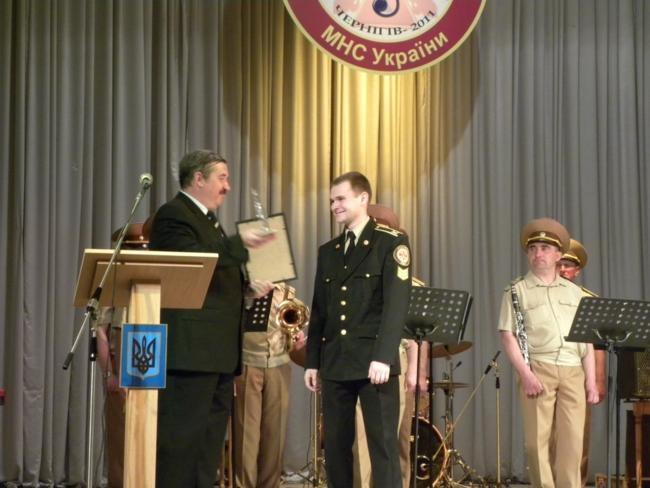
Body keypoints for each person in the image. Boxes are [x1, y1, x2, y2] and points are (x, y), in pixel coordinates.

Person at [149, 149, 275, 488]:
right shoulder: (173, 215)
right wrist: (240, 242)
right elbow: (189, 261)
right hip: (192, 353)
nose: (228, 187)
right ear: (198, 178)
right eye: (222, 178)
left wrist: (246, 288)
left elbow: (211, 275)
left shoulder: (208, 221)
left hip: (217, 354)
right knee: (182, 444)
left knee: (208, 446)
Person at [304, 172, 412, 488]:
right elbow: (320, 309)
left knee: (383, 449)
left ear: (363, 198)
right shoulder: (329, 251)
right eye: (331, 201)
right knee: (336, 449)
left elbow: (396, 305)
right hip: (336, 363)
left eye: (340, 199)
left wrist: (384, 356)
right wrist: (313, 361)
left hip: (374, 363)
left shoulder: (390, 242)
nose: (334, 206)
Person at [498, 218, 599, 488]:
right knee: (536, 443)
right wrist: (526, 374)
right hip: (539, 368)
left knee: (572, 444)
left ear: (558, 255)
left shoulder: (576, 293)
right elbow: (508, 336)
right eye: (533, 248)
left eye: (545, 248)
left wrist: (591, 381)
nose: (538, 253)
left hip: (573, 370)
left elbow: (587, 341)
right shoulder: (516, 290)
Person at [352, 205, 428, 488]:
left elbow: (418, 337)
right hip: (357, 361)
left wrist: (417, 372)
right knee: (361, 440)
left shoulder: (412, 285)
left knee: (397, 440)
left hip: (398, 364)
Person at [232, 282, 306, 488]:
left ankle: (270, 484)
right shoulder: (243, 287)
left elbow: (293, 334)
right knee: (246, 437)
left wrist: (296, 338)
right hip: (247, 363)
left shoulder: (287, 293)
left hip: (279, 366)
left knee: (275, 435)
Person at [96, 221, 151, 488]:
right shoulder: (112, 281)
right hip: (121, 365)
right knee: (120, 440)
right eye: (134, 250)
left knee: (150, 439)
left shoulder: (159, 278)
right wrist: (109, 373)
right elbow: (101, 330)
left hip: (152, 363)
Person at [557, 238, 607, 487]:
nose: (563, 270)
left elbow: (597, 344)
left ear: (577, 270)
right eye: (559, 264)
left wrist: (598, 380)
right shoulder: (539, 295)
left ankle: (576, 482)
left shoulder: (588, 300)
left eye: (568, 265)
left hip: (578, 372)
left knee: (578, 435)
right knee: (545, 435)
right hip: (547, 368)